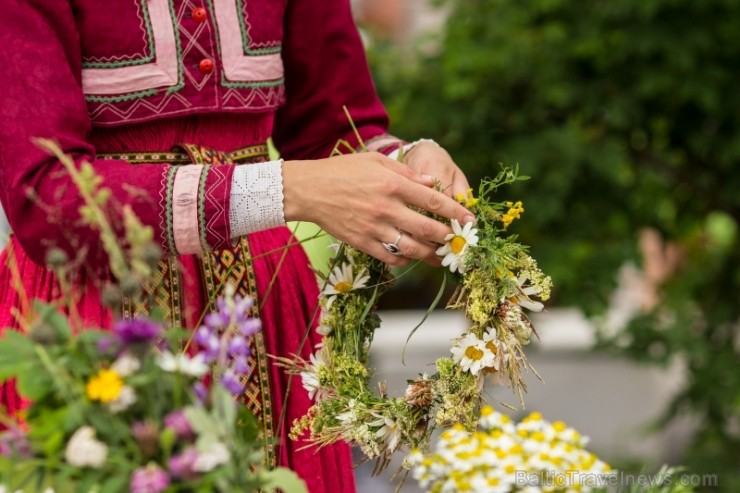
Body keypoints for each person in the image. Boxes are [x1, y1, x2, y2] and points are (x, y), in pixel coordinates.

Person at [0, 1, 473, 490]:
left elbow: (332, 129)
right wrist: (285, 190)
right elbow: (45, 194)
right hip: (97, 318)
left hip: (264, 326)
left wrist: (405, 168)